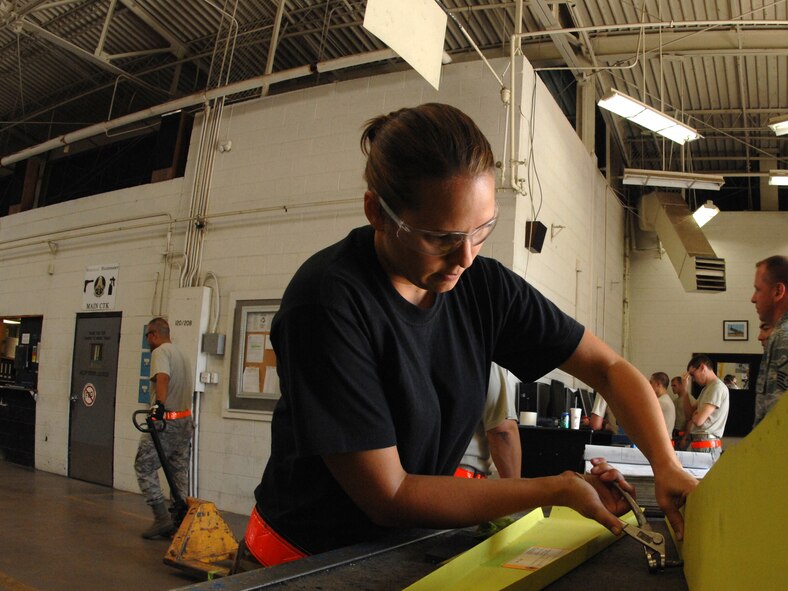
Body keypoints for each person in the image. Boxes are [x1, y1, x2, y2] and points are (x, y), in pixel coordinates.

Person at [243, 103, 697, 567]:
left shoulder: (482, 285)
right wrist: (554, 489)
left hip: (393, 552)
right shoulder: (328, 303)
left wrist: (666, 464)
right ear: (376, 212)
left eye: (481, 230)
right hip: (301, 560)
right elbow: (389, 494)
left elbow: (608, 367)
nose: (464, 257)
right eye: (440, 238)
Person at [135, 317, 194, 539]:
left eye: (148, 336)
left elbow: (163, 378)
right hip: (185, 421)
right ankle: (181, 521)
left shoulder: (160, 352)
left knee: (143, 466)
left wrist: (158, 405)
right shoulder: (183, 354)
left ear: (154, 334)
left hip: (165, 422)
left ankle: (161, 518)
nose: (148, 341)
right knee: (178, 471)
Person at [455, 363, 521, 479]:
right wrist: (516, 492)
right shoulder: (483, 353)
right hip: (461, 481)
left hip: (418, 481)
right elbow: (503, 432)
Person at [751, 255, 788, 427]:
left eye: (758, 289)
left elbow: (778, 423)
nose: (753, 298)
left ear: (778, 291)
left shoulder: (783, 338)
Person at [681, 354, 729, 462]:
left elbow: (698, 420)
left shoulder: (717, 387)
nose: (693, 379)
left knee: (703, 478)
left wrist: (696, 414)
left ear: (702, 367)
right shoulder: (706, 389)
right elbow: (689, 415)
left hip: (707, 445)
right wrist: (684, 392)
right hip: (700, 444)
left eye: (693, 374)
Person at [670, 375, 695, 450]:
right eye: (671, 386)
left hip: (683, 435)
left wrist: (685, 437)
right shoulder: (675, 401)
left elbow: (691, 420)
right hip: (675, 435)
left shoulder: (689, 400)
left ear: (681, 385)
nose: (672, 388)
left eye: (674, 385)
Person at [648, 372, 676, 439]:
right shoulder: (666, 400)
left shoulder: (661, 402)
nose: (649, 385)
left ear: (658, 384)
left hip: (660, 441)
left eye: (651, 382)